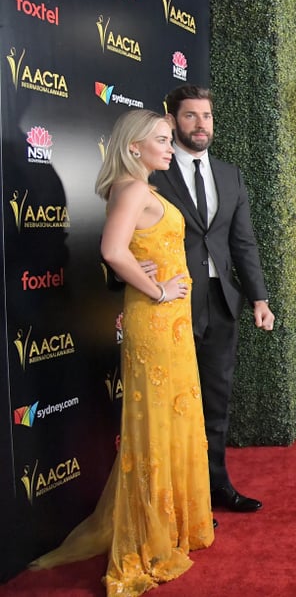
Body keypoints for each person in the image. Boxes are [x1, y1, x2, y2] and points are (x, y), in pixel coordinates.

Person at [31, 110, 214, 593]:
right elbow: (113, 251)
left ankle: (172, 527)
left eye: (171, 139)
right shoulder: (133, 189)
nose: (170, 147)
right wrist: (155, 293)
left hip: (167, 325)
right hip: (155, 323)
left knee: (172, 420)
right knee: (155, 427)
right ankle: (150, 539)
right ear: (134, 147)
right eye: (162, 139)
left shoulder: (142, 188)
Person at [151, 84, 274, 514]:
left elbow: (244, 244)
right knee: (173, 405)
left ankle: (216, 486)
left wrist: (259, 298)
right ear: (171, 120)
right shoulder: (153, 172)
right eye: (190, 116)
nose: (201, 124)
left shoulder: (229, 174)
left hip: (221, 302)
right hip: (169, 303)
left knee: (216, 401)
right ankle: (180, 500)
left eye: (206, 116)